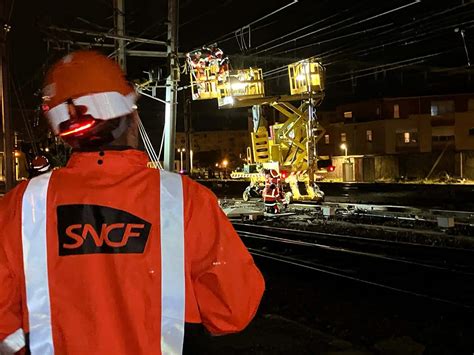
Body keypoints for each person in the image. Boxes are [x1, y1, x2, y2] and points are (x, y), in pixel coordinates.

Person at [0, 50, 265, 355]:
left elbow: (4, 330)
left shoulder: (19, 207)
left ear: (65, 134)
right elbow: (232, 310)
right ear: (130, 118)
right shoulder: (185, 200)